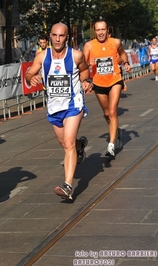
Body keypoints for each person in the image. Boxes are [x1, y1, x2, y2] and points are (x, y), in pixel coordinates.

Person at [26, 23, 92, 200]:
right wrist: (32, 78)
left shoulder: (76, 55)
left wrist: (86, 81)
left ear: (67, 37)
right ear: (50, 36)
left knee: (68, 143)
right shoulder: (42, 56)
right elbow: (28, 74)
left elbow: (85, 70)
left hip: (73, 104)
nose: (57, 39)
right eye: (54, 35)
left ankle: (68, 186)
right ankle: (80, 146)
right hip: (54, 107)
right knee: (65, 143)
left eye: (61, 36)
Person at [83, 20, 131, 158]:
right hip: (99, 83)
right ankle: (116, 131)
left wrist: (126, 63)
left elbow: (122, 54)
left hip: (115, 80)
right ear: (94, 31)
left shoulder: (115, 42)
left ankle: (111, 145)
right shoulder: (89, 45)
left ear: (107, 30)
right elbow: (82, 64)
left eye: (103, 29)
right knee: (106, 113)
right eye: (98, 30)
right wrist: (88, 63)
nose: (101, 32)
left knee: (112, 111)